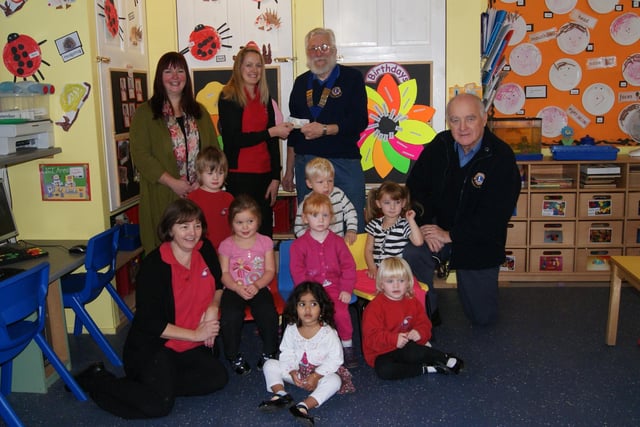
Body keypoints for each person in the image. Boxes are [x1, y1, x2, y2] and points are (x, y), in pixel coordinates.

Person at [72, 199, 228, 419]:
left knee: (217, 378)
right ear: (169, 230)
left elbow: (219, 284)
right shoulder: (154, 266)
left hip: (189, 345)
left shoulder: (205, 250)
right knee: (158, 406)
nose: (192, 233)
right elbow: (149, 322)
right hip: (154, 346)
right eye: (184, 226)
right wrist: (196, 334)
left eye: (197, 225)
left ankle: (157, 384)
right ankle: (97, 379)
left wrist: (213, 306)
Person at [405, 93, 521, 326]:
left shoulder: (501, 157)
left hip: (478, 241)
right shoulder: (441, 145)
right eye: (455, 120)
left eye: (470, 119)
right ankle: (427, 310)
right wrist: (427, 226)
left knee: (483, 319)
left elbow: (495, 217)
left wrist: (451, 236)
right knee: (412, 253)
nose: (463, 127)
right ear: (449, 122)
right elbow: (415, 188)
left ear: (484, 118)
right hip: (436, 228)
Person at [130, 51, 219, 254]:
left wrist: (202, 180)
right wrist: (173, 182)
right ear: (160, 77)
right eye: (168, 71)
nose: (175, 77)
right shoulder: (145, 113)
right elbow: (141, 155)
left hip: (199, 195)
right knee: (165, 254)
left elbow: (213, 151)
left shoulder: (199, 112)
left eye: (180, 71)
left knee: (198, 252)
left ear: (186, 76)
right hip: (162, 194)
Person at [283, 27, 368, 232]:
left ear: (334, 50)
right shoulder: (301, 82)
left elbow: (360, 121)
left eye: (324, 47)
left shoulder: (352, 78)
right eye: (313, 49)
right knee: (312, 223)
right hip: (308, 164)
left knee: (352, 221)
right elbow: (294, 131)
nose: (319, 53)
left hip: (344, 162)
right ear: (307, 53)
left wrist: (325, 129)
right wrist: (288, 171)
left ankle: (353, 265)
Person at [218, 43, 293, 237]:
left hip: (265, 175)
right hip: (240, 176)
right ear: (239, 68)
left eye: (258, 65)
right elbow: (233, 140)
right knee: (242, 232)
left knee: (264, 230)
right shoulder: (228, 96)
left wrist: (276, 176)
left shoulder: (265, 97)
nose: (254, 70)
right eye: (249, 65)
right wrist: (271, 132)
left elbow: (272, 141)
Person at [258, 281, 354, 426]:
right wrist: (291, 371)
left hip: (319, 376)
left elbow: (335, 359)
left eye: (313, 304)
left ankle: (303, 406)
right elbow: (287, 351)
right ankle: (281, 394)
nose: (307, 309)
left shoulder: (328, 333)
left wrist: (316, 376)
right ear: (295, 308)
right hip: (297, 374)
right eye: (302, 304)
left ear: (322, 308)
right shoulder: (291, 328)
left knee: (335, 381)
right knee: (270, 364)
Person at [362, 257, 464, 380]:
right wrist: (393, 339)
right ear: (381, 284)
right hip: (382, 351)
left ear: (408, 282)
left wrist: (419, 332)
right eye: (390, 281)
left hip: (407, 347)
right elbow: (371, 338)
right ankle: (426, 368)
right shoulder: (374, 308)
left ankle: (444, 357)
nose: (396, 285)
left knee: (414, 352)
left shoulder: (412, 301)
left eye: (401, 280)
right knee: (384, 370)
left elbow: (425, 323)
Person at [289, 192, 358, 368]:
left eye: (325, 215)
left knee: (341, 313)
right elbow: (297, 271)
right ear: (305, 219)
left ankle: (347, 346)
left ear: (331, 218)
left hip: (335, 288)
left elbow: (348, 267)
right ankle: (312, 349)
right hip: (309, 291)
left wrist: (346, 289)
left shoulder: (337, 242)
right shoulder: (299, 245)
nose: (320, 220)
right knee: (310, 315)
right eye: (315, 215)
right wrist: (309, 293)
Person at [218, 194, 280, 375]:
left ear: (258, 221)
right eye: (239, 222)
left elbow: (270, 271)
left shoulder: (265, 242)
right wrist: (237, 288)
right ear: (231, 223)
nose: (245, 227)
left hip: (258, 286)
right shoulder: (226, 245)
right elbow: (224, 274)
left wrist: (257, 285)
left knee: (268, 313)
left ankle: (269, 352)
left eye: (250, 221)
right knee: (230, 316)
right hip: (233, 288)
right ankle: (233, 355)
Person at [293, 157, 358, 244]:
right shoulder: (307, 202)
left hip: (337, 245)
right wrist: (310, 242)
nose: (326, 186)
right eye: (320, 182)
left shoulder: (338, 194)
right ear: (309, 183)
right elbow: (298, 227)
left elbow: (351, 213)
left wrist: (351, 230)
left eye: (330, 181)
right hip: (315, 248)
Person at [187, 146, 234, 249]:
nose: (215, 177)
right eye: (210, 173)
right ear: (200, 173)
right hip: (201, 251)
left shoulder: (229, 198)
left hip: (226, 251)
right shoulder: (192, 198)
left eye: (220, 173)